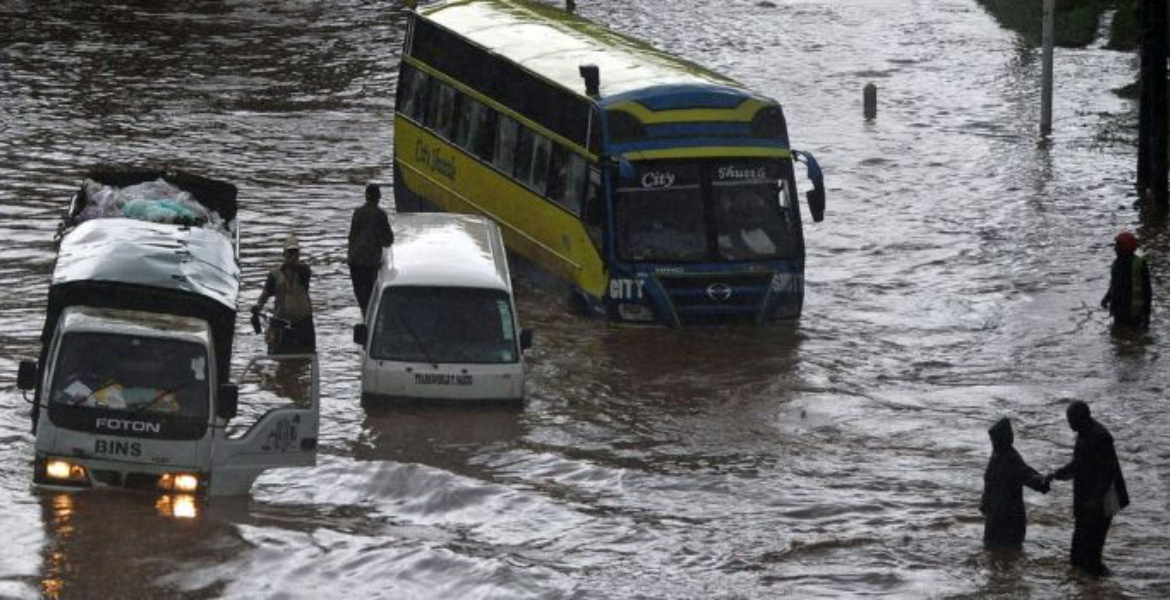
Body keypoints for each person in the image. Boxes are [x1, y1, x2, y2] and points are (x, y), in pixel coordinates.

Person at [1048, 401, 1129, 577]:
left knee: (1092, 552)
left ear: (1082, 418)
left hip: (1104, 499)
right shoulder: (1083, 432)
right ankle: (1083, 586)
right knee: (1077, 554)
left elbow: (1107, 473)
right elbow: (1079, 464)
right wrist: (1056, 474)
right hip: (1087, 498)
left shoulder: (1101, 437)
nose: (1069, 423)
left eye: (1071, 419)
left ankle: (1104, 586)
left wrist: (1095, 499)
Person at [980, 417, 1049, 549]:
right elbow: (988, 482)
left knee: (1006, 549)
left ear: (1002, 439)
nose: (993, 442)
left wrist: (1042, 482)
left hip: (1008, 516)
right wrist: (984, 502)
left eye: (994, 439)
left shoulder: (1010, 458)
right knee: (997, 551)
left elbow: (1027, 475)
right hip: (996, 514)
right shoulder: (998, 455)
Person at [252, 234, 315, 354]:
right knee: (280, 356)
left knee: (307, 356)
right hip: (281, 323)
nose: (293, 255)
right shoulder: (275, 275)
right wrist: (258, 306)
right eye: (290, 252)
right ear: (284, 254)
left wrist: (294, 264)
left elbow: (303, 273)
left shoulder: (304, 271)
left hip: (304, 322)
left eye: (296, 252)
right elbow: (265, 294)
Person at [348, 183, 394, 315]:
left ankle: (364, 321)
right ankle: (368, 325)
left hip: (354, 262)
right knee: (371, 299)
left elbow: (351, 237)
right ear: (378, 197)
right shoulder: (380, 215)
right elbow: (388, 240)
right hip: (370, 263)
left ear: (366, 196)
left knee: (362, 299)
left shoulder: (357, 213)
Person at [1101, 230, 1152, 330]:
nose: (1115, 249)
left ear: (1125, 247)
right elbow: (1114, 285)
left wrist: (1146, 315)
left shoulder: (1140, 264)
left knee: (1132, 338)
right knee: (1119, 339)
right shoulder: (1116, 264)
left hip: (1134, 313)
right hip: (1119, 312)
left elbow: (1147, 291)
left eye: (1118, 246)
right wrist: (1106, 299)